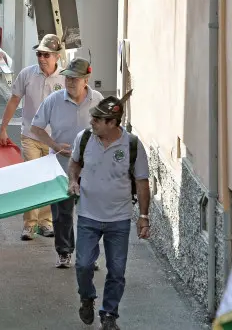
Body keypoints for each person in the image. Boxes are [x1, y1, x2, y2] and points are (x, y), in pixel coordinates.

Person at [70, 92, 150, 330]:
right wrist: (73, 180)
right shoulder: (84, 138)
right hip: (87, 215)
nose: (92, 122)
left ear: (112, 123)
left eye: (97, 119)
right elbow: (74, 163)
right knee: (83, 264)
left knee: (117, 270)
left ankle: (109, 315)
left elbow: (142, 182)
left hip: (119, 219)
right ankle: (87, 298)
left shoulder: (132, 145)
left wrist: (143, 217)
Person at [29, 57, 103, 269]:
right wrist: (54, 144)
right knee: (62, 214)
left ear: (86, 80)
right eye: (68, 78)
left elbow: (110, 130)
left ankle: (89, 254)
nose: (70, 83)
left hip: (91, 167)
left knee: (92, 213)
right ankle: (64, 252)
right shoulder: (54, 100)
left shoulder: (97, 100)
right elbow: (36, 128)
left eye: (75, 79)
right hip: (61, 164)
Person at [0, 34, 65, 240]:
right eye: (39, 54)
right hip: (30, 136)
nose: (41, 58)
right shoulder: (27, 74)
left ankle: (46, 222)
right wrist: (3, 128)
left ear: (56, 56)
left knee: (47, 181)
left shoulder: (65, 78)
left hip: (54, 140)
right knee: (32, 179)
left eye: (46, 54)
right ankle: (29, 225)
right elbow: (14, 100)